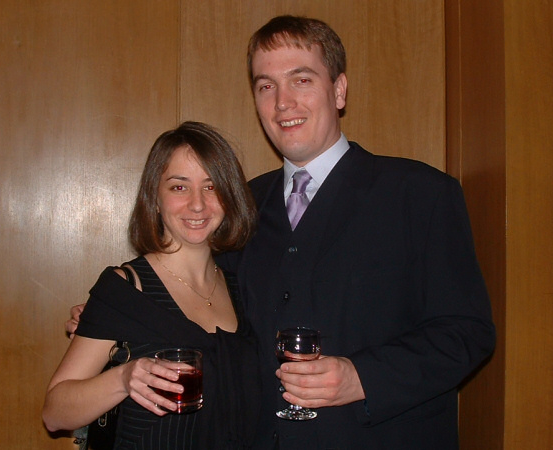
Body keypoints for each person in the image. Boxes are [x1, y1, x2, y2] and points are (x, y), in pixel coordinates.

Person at [67, 16, 496, 450]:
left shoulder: (420, 194)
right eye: (266, 86)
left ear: (339, 90)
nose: (283, 102)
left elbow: (468, 332)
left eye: (301, 80)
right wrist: (122, 313)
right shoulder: (238, 205)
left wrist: (361, 377)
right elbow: (200, 293)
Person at [45, 121, 260, 449]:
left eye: (211, 186)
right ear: (155, 198)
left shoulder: (240, 288)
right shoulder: (126, 288)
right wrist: (123, 378)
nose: (198, 204)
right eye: (179, 187)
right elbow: (54, 413)